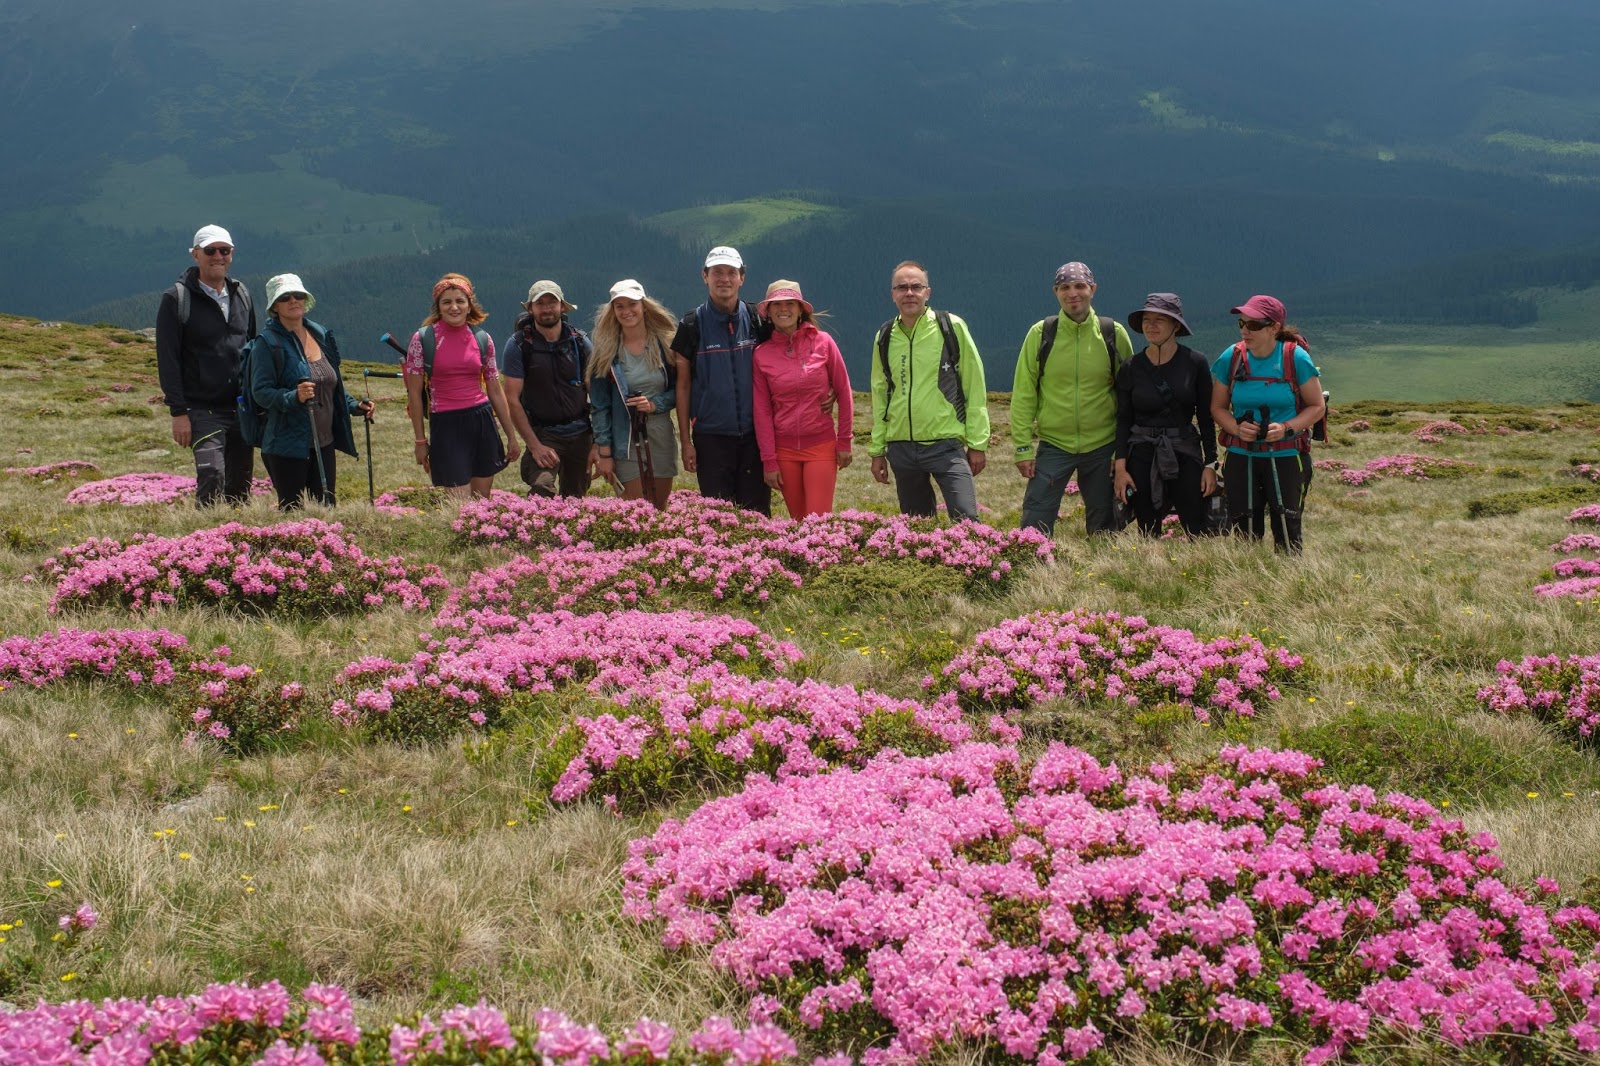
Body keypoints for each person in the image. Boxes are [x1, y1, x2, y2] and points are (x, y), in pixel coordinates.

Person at [1011, 261, 1134, 536]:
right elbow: (1024, 394)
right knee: (1035, 521)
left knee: (1105, 527)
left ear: (1093, 289)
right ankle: (1033, 560)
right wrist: (1022, 447)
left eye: (1079, 286)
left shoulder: (1113, 334)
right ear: (1055, 292)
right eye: (1064, 287)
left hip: (1103, 445)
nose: (1072, 293)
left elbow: (1129, 398)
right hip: (1054, 444)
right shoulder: (1041, 334)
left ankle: (1103, 564)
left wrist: (1121, 453)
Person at [868, 260, 989, 521]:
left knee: (967, 520)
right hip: (901, 447)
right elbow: (880, 395)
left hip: (946, 444)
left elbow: (974, 386)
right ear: (892, 294)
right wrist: (878, 451)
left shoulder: (951, 327)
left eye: (916, 286)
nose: (909, 293)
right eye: (902, 287)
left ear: (928, 292)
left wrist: (978, 443)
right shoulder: (884, 336)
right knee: (917, 528)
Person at [1208, 294, 1326, 553]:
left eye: (1253, 325)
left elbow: (1317, 406)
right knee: (1244, 527)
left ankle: (1288, 575)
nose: (1244, 331)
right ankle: (1247, 574)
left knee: (1287, 527)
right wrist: (1236, 428)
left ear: (1274, 328)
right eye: (1241, 323)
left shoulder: (1295, 358)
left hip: (1286, 454)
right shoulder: (1232, 357)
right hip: (1241, 454)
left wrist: (1286, 428)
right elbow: (1217, 407)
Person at [247, 273, 373, 510]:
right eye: (285, 297)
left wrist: (354, 405)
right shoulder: (267, 343)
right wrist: (293, 397)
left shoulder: (320, 334)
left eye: (298, 295)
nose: (293, 300)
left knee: (327, 508)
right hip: (286, 444)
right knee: (291, 511)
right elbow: (261, 392)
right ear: (274, 306)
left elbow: (330, 384)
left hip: (323, 442)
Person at [155, 224, 257, 508]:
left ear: (232, 254)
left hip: (241, 407)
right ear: (196, 255)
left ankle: (236, 532)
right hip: (202, 409)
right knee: (212, 474)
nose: (218, 256)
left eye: (224, 250)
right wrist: (178, 412)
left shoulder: (242, 294)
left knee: (240, 483)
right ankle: (204, 528)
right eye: (210, 250)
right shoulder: (176, 299)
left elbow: (252, 349)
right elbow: (168, 359)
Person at [671, 245, 772, 515]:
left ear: (742, 277)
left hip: (755, 437)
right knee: (718, 521)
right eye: (717, 272)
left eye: (731, 272)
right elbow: (682, 386)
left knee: (757, 516)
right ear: (705, 276)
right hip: (711, 439)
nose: (724, 279)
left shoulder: (759, 320)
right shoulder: (691, 325)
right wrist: (686, 442)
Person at [403, 273, 521, 499]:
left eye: (460, 301)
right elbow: (414, 394)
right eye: (446, 302)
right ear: (438, 307)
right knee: (459, 502)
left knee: (482, 499)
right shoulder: (422, 340)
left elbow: (495, 390)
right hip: (445, 424)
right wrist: (420, 441)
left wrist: (511, 437)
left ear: (469, 305)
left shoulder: (483, 339)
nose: (454, 307)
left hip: (482, 421)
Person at [1111, 293, 1217, 536]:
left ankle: (1200, 560)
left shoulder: (1195, 362)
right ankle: (1150, 561)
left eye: (1160, 319)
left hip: (1184, 450)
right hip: (1141, 453)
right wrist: (1120, 469)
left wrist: (1210, 464)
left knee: (1195, 523)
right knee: (1147, 526)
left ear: (1176, 325)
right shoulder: (1130, 367)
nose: (1151, 325)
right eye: (1146, 320)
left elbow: (1206, 418)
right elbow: (1123, 420)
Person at [751, 280, 853, 518]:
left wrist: (845, 441)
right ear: (768, 312)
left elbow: (844, 391)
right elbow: (762, 411)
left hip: (821, 445)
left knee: (817, 522)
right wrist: (769, 460)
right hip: (783, 451)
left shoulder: (824, 342)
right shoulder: (761, 355)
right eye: (777, 304)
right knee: (798, 522)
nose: (783, 309)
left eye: (790, 303)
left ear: (800, 310)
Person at [501, 280, 595, 498]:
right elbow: (512, 400)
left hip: (581, 434)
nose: (546, 309)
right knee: (542, 488)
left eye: (552, 303)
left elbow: (597, 394)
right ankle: (535, 522)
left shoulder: (580, 343)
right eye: (540, 303)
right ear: (530, 309)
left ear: (562, 307)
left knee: (575, 497)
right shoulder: (518, 345)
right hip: (543, 434)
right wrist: (534, 446)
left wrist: (599, 443)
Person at [590, 280, 679, 509]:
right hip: (624, 438)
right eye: (619, 306)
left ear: (644, 306)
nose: (626, 311)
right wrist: (604, 452)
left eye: (632, 304)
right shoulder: (606, 352)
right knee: (634, 509)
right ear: (613, 311)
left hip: (660, 434)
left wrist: (654, 404)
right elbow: (600, 407)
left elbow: (680, 389)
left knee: (659, 505)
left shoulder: (666, 344)